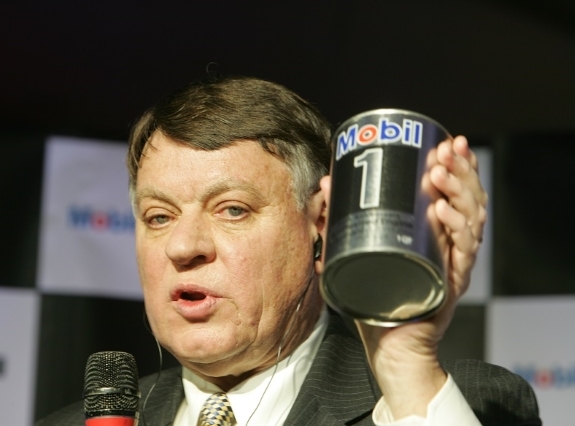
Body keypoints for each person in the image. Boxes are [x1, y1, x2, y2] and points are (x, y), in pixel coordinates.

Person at [37, 75, 541, 425]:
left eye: (232, 209)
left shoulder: (455, 402)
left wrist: (403, 366)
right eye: (159, 217)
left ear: (320, 225)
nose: (183, 247)